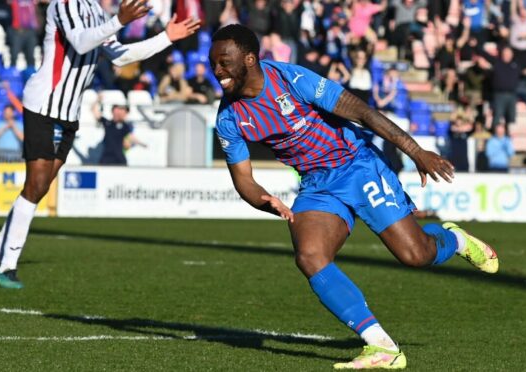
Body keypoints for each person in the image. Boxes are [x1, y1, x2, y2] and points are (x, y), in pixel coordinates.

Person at [210, 24, 498, 370]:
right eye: (213, 64)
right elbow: (243, 179)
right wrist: (263, 199)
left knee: (415, 255)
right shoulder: (229, 118)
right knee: (310, 256)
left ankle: (454, 239)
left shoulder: (291, 80)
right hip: (318, 185)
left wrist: (415, 151)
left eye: (224, 63)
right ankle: (382, 347)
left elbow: (362, 112)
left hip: (358, 165)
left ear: (250, 58)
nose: (217, 72)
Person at [0, 0, 201, 289]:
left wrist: (166, 37)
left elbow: (121, 56)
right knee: (37, 185)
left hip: (68, 112)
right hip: (44, 104)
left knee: (38, 188)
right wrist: (118, 20)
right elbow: (80, 42)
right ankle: (7, 265)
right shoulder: (63, 5)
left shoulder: (97, 12)